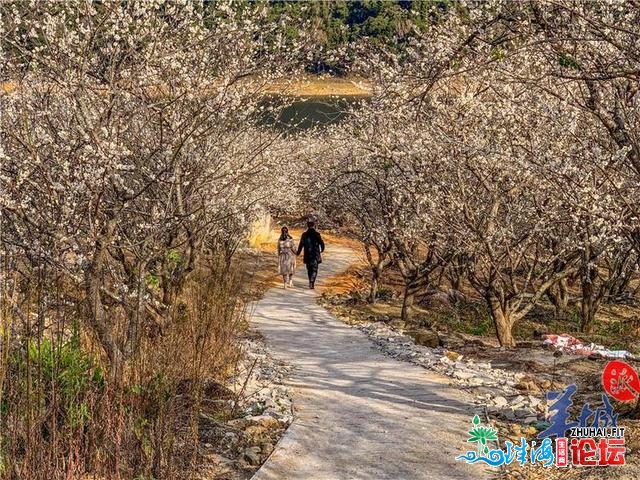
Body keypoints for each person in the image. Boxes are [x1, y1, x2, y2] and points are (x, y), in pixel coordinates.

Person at [296, 220, 325, 289]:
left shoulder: (304, 234)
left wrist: (298, 252)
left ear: (307, 226)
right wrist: (322, 249)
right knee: (314, 269)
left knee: (309, 269)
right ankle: (312, 282)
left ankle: (310, 281)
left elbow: (301, 244)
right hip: (315, 255)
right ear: (313, 226)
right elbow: (321, 243)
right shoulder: (317, 234)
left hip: (307, 255)